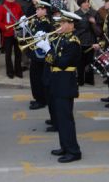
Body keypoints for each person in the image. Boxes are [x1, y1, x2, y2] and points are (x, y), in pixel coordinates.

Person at [35, 10, 82, 163]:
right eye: (60, 22)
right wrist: (43, 41)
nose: (60, 25)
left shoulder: (73, 42)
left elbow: (61, 63)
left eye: (63, 23)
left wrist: (48, 49)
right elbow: (50, 60)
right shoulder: (61, 38)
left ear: (71, 25)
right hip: (57, 81)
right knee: (60, 119)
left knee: (66, 119)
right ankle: (65, 146)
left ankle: (73, 151)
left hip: (65, 83)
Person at [28, 1, 53, 110]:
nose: (36, 11)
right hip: (35, 54)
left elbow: (36, 35)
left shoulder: (45, 22)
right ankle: (38, 97)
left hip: (40, 56)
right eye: (36, 9)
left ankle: (41, 100)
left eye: (39, 9)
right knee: (34, 77)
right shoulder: (38, 21)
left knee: (38, 77)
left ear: (45, 10)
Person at [0, 0, 24, 79]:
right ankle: (10, 71)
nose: (13, 0)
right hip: (7, 34)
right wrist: (5, 27)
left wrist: (22, 22)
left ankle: (18, 70)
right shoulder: (1, 8)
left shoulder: (17, 6)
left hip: (17, 33)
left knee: (18, 53)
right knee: (8, 54)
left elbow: (21, 16)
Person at [74, 0, 100, 86]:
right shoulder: (76, 14)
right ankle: (80, 80)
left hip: (91, 41)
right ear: (80, 4)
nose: (87, 4)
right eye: (85, 2)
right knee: (80, 62)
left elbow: (99, 29)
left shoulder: (94, 13)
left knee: (90, 62)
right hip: (80, 40)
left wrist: (94, 23)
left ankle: (89, 80)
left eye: (88, 2)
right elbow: (74, 28)